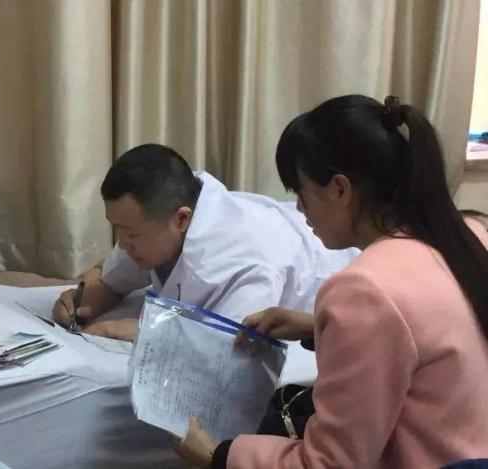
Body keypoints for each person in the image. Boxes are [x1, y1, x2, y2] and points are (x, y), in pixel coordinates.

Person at [174, 95, 488, 468]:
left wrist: (218, 456)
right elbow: (429, 335)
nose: (300, 209)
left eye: (302, 193)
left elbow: (329, 463)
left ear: (341, 189)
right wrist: (314, 327)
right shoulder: (468, 235)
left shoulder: (365, 289)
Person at [51, 143, 356, 342]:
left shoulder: (241, 263)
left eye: (129, 234)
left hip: (338, 272)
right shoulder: (166, 212)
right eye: (118, 230)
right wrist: (84, 297)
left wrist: (142, 329)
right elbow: (108, 279)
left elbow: (228, 343)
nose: (123, 243)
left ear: (181, 219)